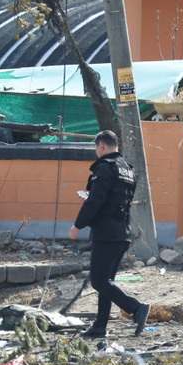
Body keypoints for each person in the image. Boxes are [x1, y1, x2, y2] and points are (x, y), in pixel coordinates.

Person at [69, 130, 151, 337]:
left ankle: (136, 308)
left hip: (106, 233)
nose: (96, 152)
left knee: (99, 281)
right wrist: (92, 199)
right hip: (122, 233)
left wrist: (78, 225)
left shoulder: (105, 168)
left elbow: (96, 202)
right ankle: (99, 326)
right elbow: (113, 199)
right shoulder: (128, 170)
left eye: (96, 149)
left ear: (101, 146)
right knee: (106, 282)